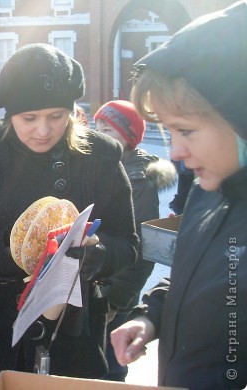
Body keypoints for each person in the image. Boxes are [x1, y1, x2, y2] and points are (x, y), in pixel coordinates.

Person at [0, 43, 139, 389]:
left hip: (71, 338)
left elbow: (128, 244)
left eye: (56, 116)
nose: (43, 130)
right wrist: (17, 249)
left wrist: (92, 256)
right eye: (29, 118)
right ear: (10, 113)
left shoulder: (99, 157)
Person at [111, 3, 246, 389]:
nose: (174, 153)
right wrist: (150, 316)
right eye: (169, 132)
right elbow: (198, 275)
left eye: (185, 130)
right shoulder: (211, 193)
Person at [93, 100, 176, 382]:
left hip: (113, 295)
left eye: (110, 130)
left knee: (109, 361)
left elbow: (142, 251)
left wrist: (113, 300)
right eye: (98, 127)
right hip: (94, 287)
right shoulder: (99, 167)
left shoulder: (138, 182)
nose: (101, 135)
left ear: (128, 139)